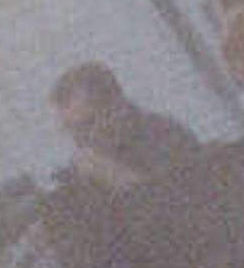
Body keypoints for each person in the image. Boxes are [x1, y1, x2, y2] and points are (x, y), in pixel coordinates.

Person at [45, 59, 202, 193]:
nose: (79, 139)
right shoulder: (89, 164)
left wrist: (116, 176)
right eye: (70, 130)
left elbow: (183, 209)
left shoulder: (166, 137)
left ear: (117, 107)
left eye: (86, 125)